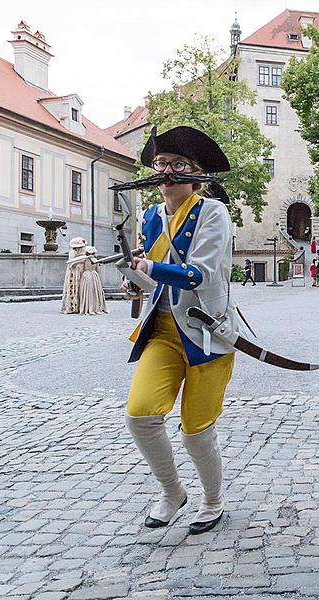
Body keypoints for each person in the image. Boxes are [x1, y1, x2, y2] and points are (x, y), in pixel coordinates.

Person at [117, 125, 238, 536]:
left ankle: (213, 500)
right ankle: (172, 491)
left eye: (177, 165)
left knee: (196, 432)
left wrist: (149, 267)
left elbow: (198, 275)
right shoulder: (151, 216)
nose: (166, 172)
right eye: (160, 164)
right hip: (164, 331)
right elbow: (157, 284)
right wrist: (135, 277)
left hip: (207, 332)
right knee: (140, 415)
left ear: (196, 174)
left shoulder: (213, 213)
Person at [78, 246, 108, 315]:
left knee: (87, 292)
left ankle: (87, 307)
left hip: (86, 275)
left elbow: (81, 270)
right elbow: (98, 270)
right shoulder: (95, 260)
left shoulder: (84, 260)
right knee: (95, 292)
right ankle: (95, 307)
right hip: (94, 275)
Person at [60, 237, 87, 314]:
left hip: (80, 271)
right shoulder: (72, 252)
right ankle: (72, 306)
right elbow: (71, 263)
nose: (82, 248)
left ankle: (79, 306)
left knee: (80, 288)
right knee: (73, 288)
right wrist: (80, 261)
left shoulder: (83, 252)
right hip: (74, 272)